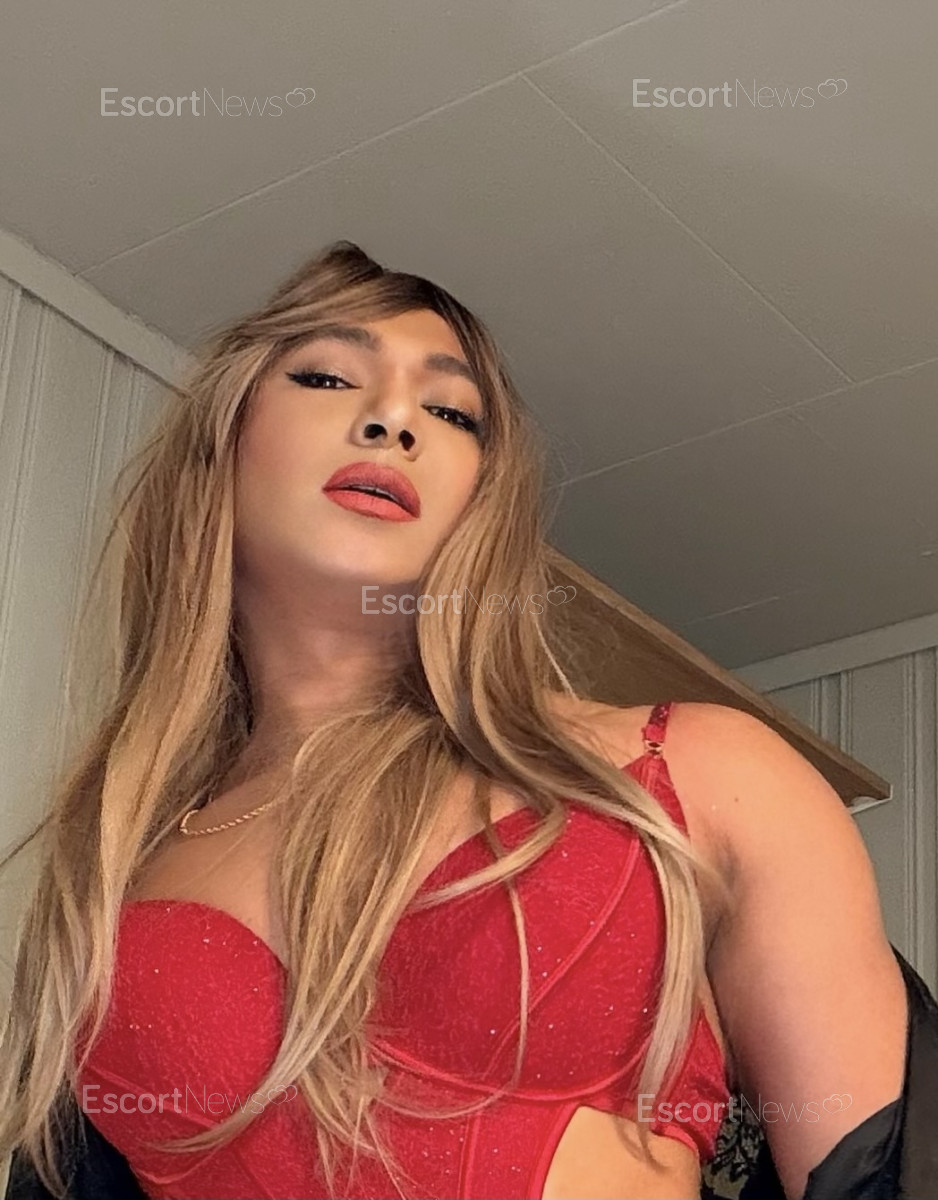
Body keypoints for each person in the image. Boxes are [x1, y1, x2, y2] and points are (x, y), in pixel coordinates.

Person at [0, 240, 921, 1199]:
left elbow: (888, 1177)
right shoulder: (113, 874)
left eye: (450, 412)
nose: (394, 420)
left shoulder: (692, 770)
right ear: (219, 447)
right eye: (327, 376)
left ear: (484, 498)